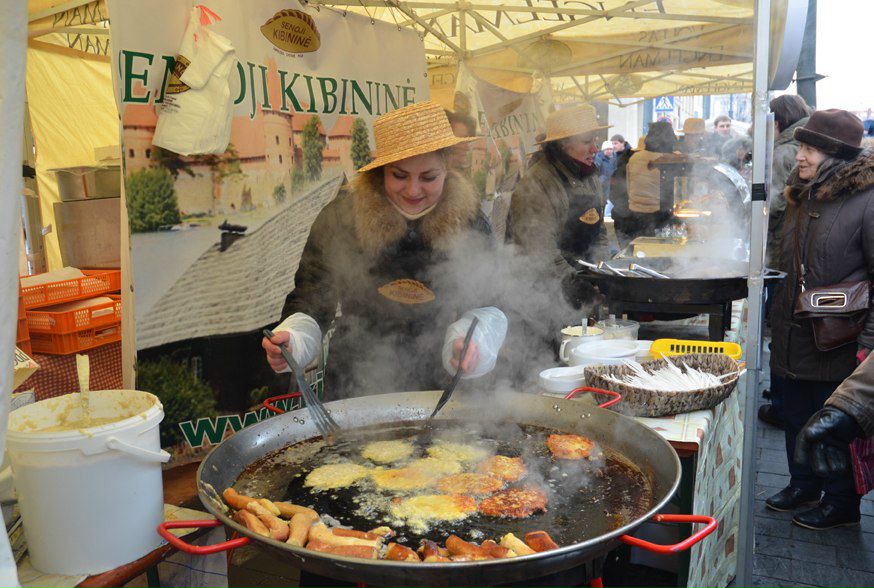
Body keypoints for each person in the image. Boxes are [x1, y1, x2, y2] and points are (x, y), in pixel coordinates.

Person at [262, 101, 508, 405]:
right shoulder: (342, 217)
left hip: (438, 379)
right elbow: (312, 295)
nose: (413, 190)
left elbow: (488, 304)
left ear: (447, 168)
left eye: (429, 177)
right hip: (355, 377)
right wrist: (295, 339)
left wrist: (472, 343)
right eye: (399, 175)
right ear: (381, 170)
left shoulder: (469, 220)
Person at [767, 109, 873, 530]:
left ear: (836, 156)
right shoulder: (801, 192)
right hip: (794, 332)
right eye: (801, 148)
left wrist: (870, 342)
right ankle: (804, 483)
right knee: (794, 413)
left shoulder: (866, 200)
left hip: (840, 338)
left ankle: (842, 501)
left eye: (809, 149)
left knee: (829, 420)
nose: (800, 157)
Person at [508, 103, 611, 306]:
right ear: (563, 144)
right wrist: (574, 284)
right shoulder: (536, 184)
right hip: (541, 294)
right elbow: (539, 251)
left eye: (595, 140)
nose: (595, 149)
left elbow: (599, 233)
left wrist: (603, 271)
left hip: (582, 284)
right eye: (586, 142)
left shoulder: (588, 175)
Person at [759, 94, 812, 430]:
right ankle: (782, 397)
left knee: (781, 324)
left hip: (783, 251)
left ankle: (781, 404)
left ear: (777, 121)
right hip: (790, 250)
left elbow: (775, 204)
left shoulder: (785, 149)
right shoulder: (799, 143)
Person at [624, 121, 677, 236]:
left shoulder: (634, 158)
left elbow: (628, 185)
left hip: (635, 214)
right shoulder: (668, 159)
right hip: (660, 217)